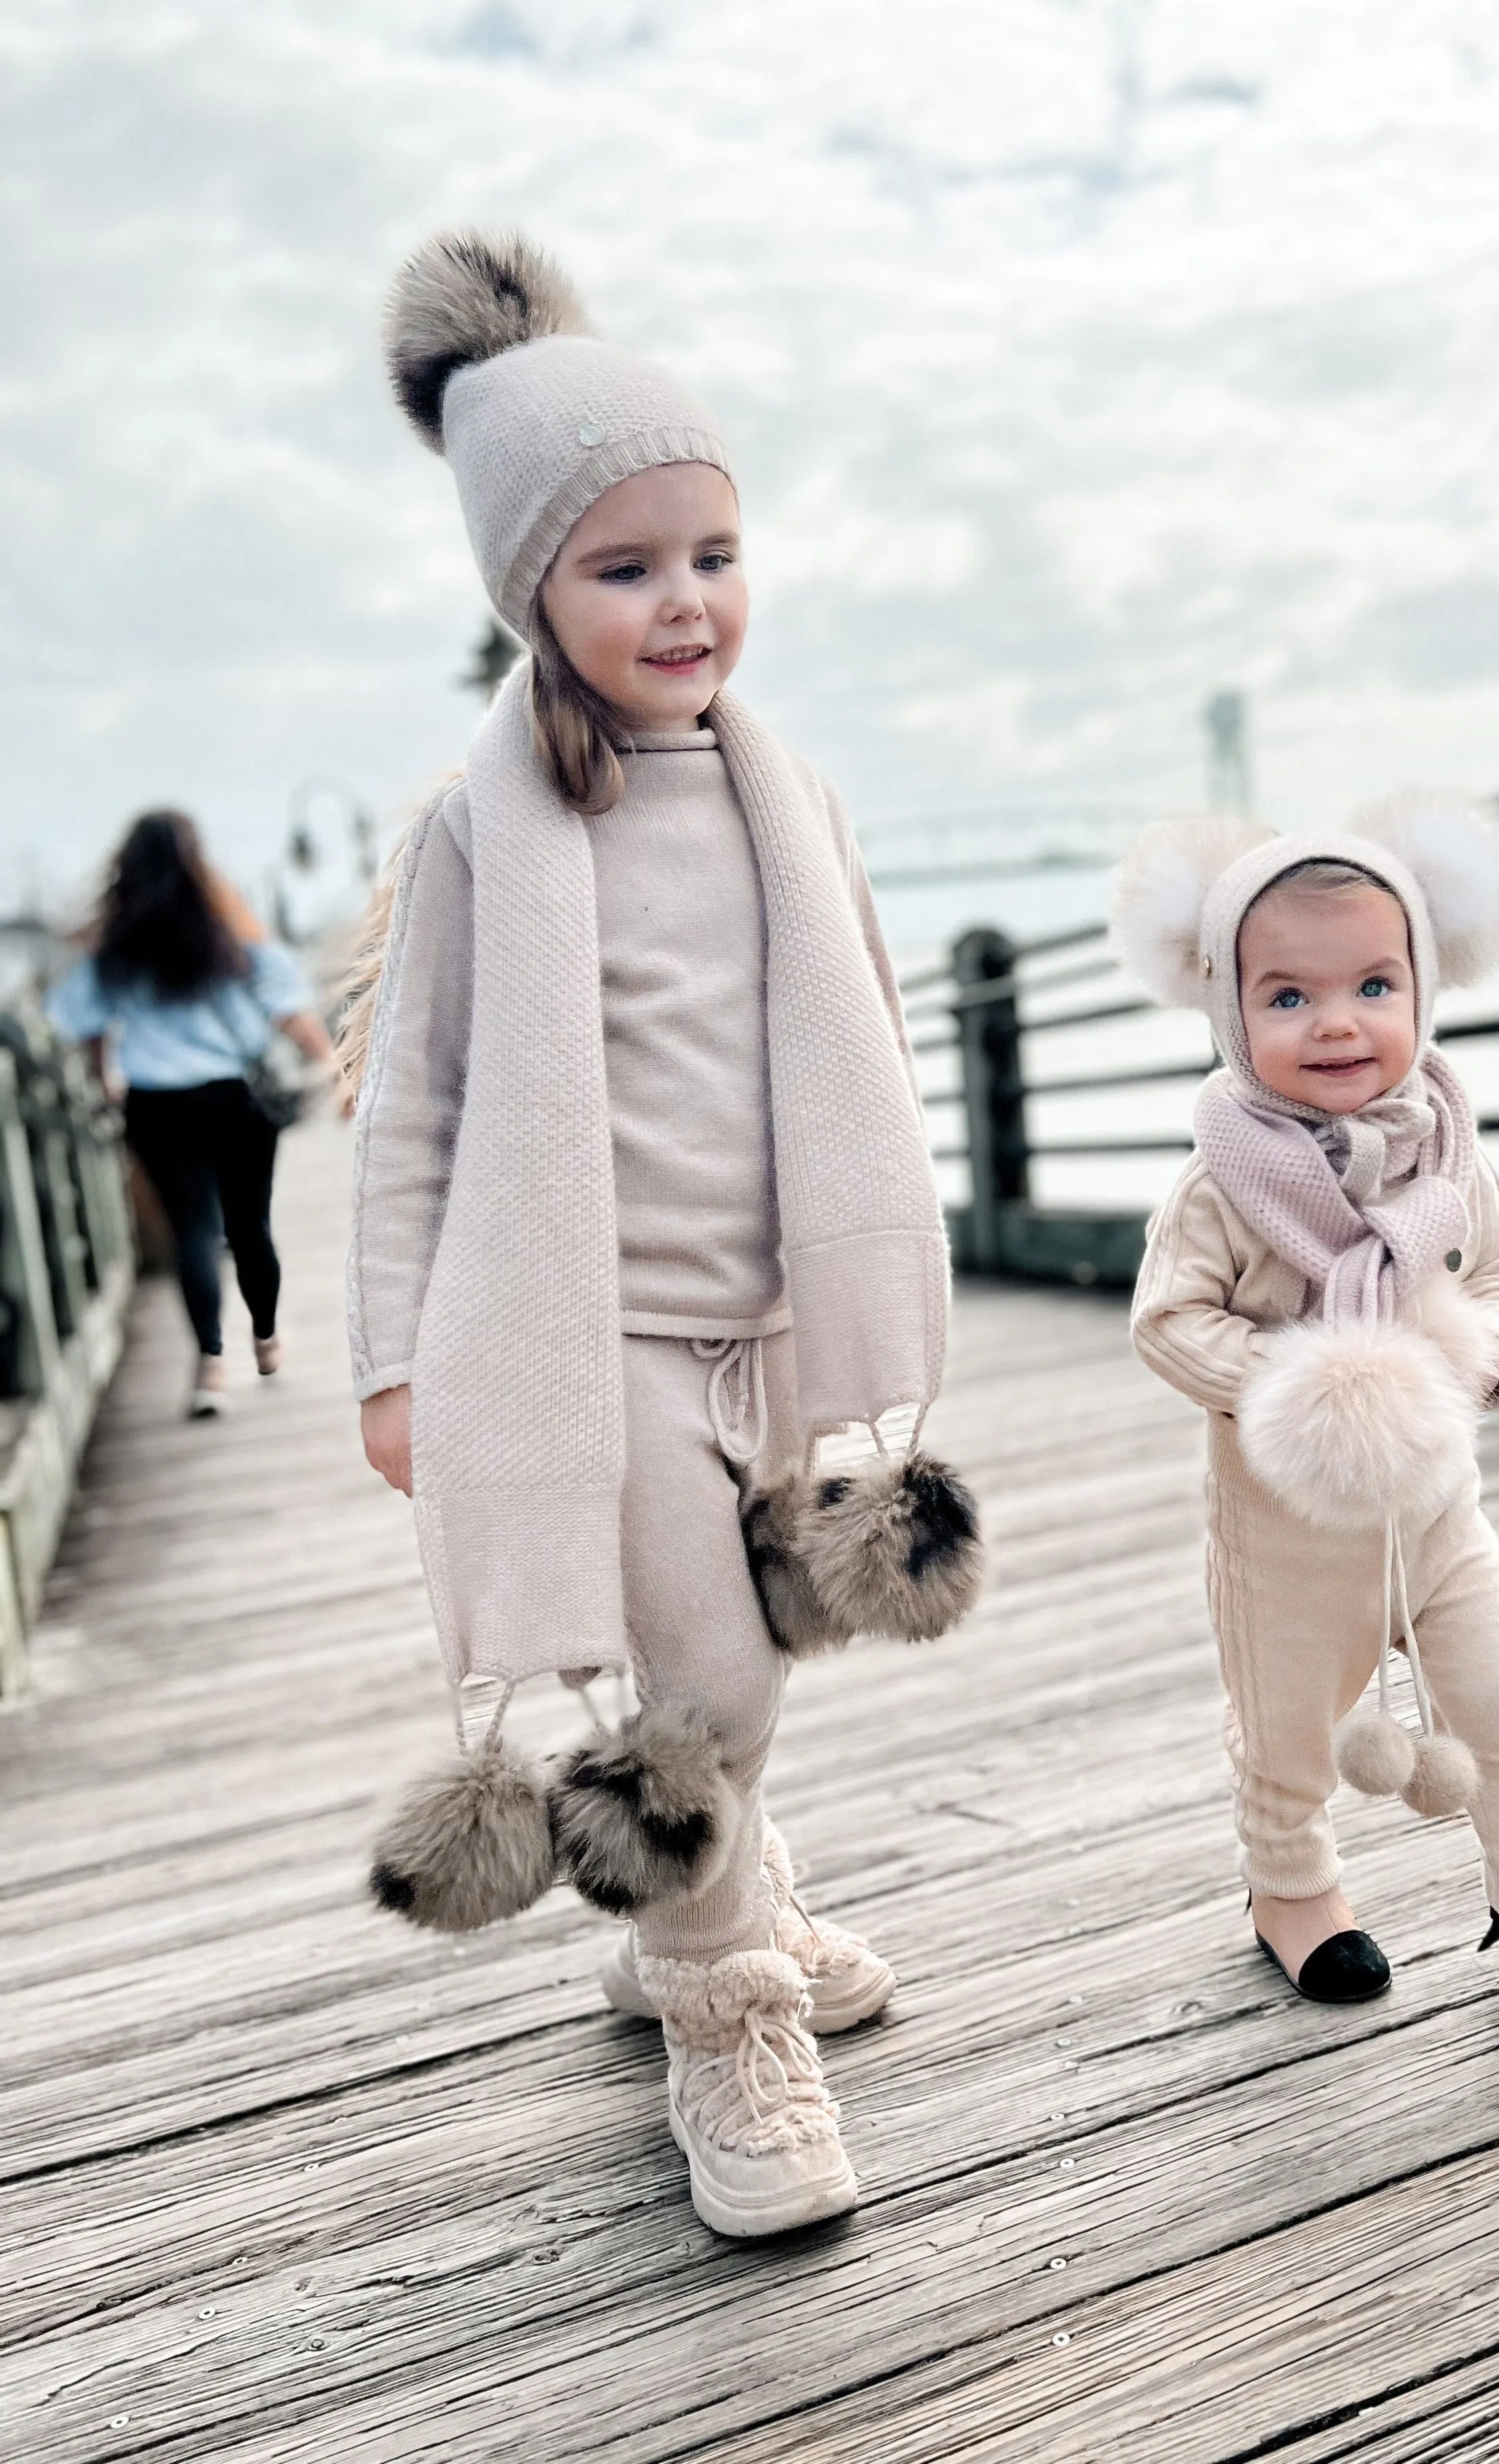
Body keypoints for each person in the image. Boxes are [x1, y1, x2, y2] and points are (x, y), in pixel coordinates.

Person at [343, 230, 980, 2240]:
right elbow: (415, 1105)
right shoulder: (490, 826)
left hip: (768, 1320)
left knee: (761, 1667)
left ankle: (698, 1903)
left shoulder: (792, 795)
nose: (684, 601)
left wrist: (881, 1261)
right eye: (624, 568)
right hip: (587, 1332)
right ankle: (726, 2019)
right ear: (535, 592)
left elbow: (860, 1027)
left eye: (711, 552)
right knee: (698, 1664)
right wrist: (386, 1358)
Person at [1117, 804, 1499, 2036]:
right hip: (1284, 1523)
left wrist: (1481, 1352)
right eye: (1288, 996)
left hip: (1436, 1503)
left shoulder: (1447, 1156)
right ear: (1229, 1011)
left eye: (1373, 982)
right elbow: (1166, 1320)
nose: (1336, 1021)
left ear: (1422, 983)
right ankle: (1292, 1889)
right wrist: (1291, 1378)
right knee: (1289, 1719)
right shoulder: (1220, 1182)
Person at [47, 810, 336, 1418]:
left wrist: (105, 1080)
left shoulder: (114, 948)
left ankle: (209, 1365)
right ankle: (265, 1335)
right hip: (233, 1097)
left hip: (156, 1104)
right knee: (250, 1227)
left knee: (193, 1233)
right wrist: (336, 1066)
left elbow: (83, 1022)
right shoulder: (225, 934)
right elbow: (288, 1009)